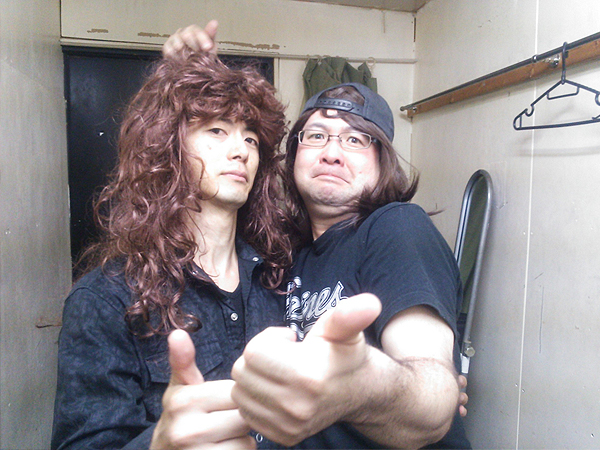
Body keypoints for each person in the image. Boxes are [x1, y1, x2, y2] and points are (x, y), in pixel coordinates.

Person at [162, 24, 470, 450]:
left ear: (383, 163)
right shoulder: (279, 256)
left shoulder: (396, 227)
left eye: (356, 139)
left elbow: (432, 394)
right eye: (317, 136)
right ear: (292, 156)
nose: (332, 152)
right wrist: (180, 84)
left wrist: (363, 390)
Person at [51, 43, 293, 449]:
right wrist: (161, 443)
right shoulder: (105, 299)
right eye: (217, 131)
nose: (241, 151)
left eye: (251, 140)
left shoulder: (280, 279)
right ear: (170, 147)